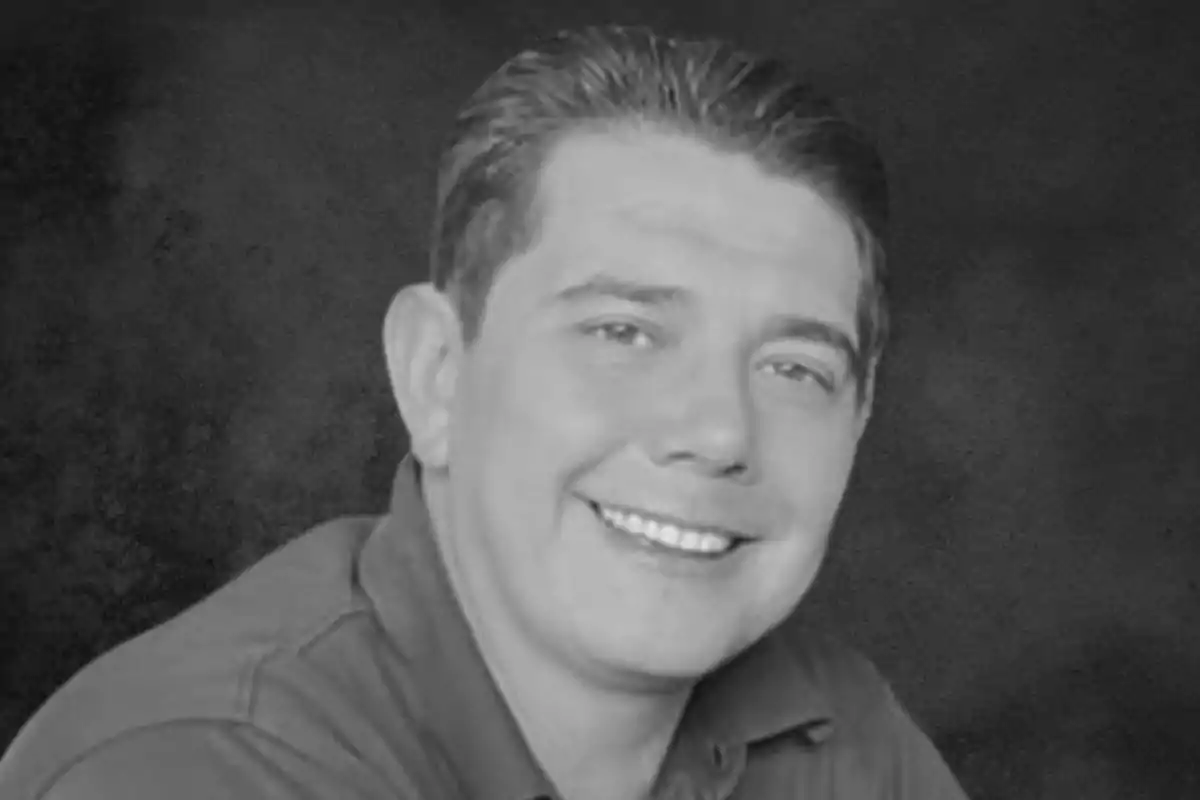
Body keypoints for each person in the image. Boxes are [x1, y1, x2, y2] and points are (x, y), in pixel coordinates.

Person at [0, 24, 969, 800]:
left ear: (860, 420)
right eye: (623, 330)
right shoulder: (192, 767)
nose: (719, 431)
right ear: (435, 373)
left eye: (794, 368)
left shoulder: (839, 731)